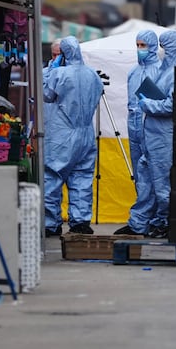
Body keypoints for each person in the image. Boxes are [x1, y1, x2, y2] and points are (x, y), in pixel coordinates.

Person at [120, 30, 176, 239]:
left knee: (162, 182)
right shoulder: (165, 69)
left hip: (163, 134)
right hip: (150, 133)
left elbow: (172, 104)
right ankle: (142, 223)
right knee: (145, 178)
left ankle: (166, 222)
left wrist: (146, 104)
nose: (163, 52)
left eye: (166, 48)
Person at [42, 36, 104, 237]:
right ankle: (80, 222)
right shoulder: (92, 75)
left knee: (52, 177)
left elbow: (47, 96)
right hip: (86, 133)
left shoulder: (59, 73)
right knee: (82, 178)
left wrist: (52, 69)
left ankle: (50, 223)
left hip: (63, 134)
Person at [114, 30, 161, 236]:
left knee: (152, 175)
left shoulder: (160, 70)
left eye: (143, 45)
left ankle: (151, 220)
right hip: (133, 127)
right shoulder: (133, 71)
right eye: (138, 45)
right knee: (139, 176)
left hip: (151, 128)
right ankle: (143, 220)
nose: (140, 49)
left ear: (153, 46)